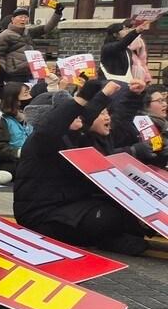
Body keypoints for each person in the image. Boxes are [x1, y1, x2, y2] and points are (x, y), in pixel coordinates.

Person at [15, 79, 152, 255]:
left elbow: (92, 114)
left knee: (123, 209)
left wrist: (117, 94)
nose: (79, 115)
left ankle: (119, 237)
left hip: (70, 204)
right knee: (106, 217)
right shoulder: (42, 140)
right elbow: (53, 125)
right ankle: (109, 240)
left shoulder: (74, 134)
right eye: (72, 112)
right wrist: (81, 98)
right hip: (42, 214)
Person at [0, 5, 64, 82]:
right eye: (20, 17)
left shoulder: (28, 32)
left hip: (31, 72)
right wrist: (1, 72)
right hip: (14, 74)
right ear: (13, 19)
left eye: (25, 17)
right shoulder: (4, 35)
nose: (23, 19)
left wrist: (57, 13)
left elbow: (47, 28)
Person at [0, 81, 34, 177]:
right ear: (14, 99)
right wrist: (19, 152)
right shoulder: (1, 120)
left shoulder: (29, 117)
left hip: (30, 158)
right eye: (25, 94)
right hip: (11, 162)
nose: (29, 98)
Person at [101, 19, 151, 83]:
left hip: (124, 80)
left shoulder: (126, 49)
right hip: (110, 80)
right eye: (123, 29)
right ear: (115, 34)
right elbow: (122, 43)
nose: (126, 31)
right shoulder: (108, 47)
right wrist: (136, 31)